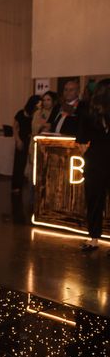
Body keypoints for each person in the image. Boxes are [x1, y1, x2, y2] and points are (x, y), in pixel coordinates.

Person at [76, 79, 110, 252]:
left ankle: (94, 239)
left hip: (95, 161)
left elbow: (81, 141)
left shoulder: (88, 112)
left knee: (94, 201)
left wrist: (90, 156)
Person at [11, 95, 41, 193]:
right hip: (22, 139)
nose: (40, 105)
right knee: (19, 163)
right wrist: (18, 140)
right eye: (38, 103)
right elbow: (14, 127)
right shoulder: (21, 113)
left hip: (33, 139)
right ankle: (16, 186)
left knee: (34, 162)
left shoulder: (38, 114)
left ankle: (35, 185)